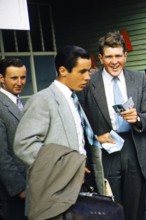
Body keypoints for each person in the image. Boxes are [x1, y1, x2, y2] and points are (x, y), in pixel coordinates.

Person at [13, 46, 106, 219]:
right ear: (63, 70)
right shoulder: (43, 100)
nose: (88, 77)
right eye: (82, 71)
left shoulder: (73, 98)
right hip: (54, 191)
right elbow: (23, 145)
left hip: (79, 187)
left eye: (89, 71)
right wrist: (68, 166)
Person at [80, 31, 146, 220]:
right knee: (110, 209)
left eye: (118, 56)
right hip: (105, 150)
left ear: (125, 56)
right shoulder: (88, 83)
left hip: (134, 148)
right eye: (109, 56)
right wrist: (93, 140)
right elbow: (81, 121)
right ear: (100, 58)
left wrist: (137, 118)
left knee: (135, 209)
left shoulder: (138, 79)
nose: (114, 62)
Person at [0, 58, 27, 220]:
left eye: (22, 77)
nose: (19, 82)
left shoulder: (17, 101)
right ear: (1, 78)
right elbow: (1, 155)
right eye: (14, 78)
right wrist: (19, 188)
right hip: (11, 193)